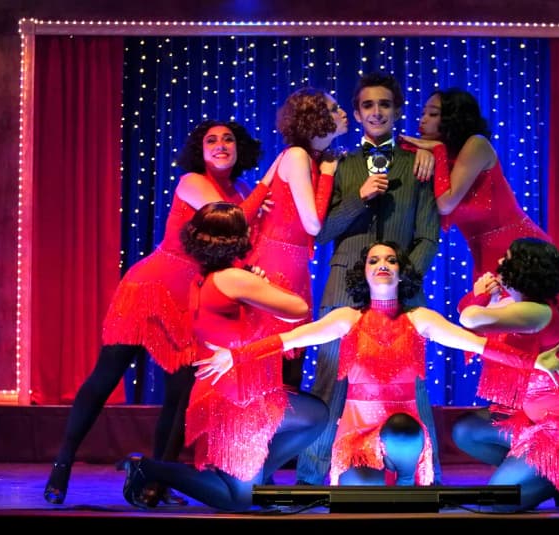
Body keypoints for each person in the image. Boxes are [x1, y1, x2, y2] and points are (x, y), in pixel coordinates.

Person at [401, 88, 559, 507]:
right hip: (488, 261)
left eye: (432, 115)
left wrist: (436, 151)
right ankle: (551, 459)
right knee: (517, 357)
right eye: (423, 115)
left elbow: (447, 201)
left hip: (520, 252)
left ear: (451, 120)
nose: (422, 121)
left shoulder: (475, 145)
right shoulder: (436, 157)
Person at [201, 241, 559, 487]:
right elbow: (290, 339)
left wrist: (532, 362)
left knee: (402, 427)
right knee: (362, 497)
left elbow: (477, 344)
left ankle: (407, 482)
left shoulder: (420, 317)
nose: (383, 265)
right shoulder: (347, 318)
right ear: (365, 274)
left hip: (404, 436)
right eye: (374, 260)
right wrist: (235, 356)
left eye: (390, 260)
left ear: (401, 272)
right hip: (357, 436)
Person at [44, 120, 271, 506]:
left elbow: (236, 243)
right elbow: (231, 221)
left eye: (227, 139)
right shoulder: (193, 182)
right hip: (151, 288)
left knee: (181, 394)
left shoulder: (242, 192)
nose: (219, 145)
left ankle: (157, 482)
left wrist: (251, 269)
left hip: (192, 300)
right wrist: (269, 185)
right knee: (106, 375)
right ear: (200, 151)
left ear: (239, 148)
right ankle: (62, 462)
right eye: (210, 140)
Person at [116, 201, 328, 512]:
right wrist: (263, 283)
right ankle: (150, 469)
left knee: (314, 415)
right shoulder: (235, 279)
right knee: (239, 501)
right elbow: (298, 308)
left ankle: (252, 479)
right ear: (240, 239)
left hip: (226, 390)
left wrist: (254, 284)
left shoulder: (201, 279)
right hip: (237, 399)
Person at [295, 72, 443, 485]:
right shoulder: (339, 165)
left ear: (397, 111)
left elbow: (429, 233)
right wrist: (358, 199)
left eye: (384, 105)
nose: (376, 112)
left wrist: (403, 279)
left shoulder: (418, 163)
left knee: (411, 383)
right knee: (330, 381)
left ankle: (427, 480)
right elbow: (321, 231)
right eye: (367, 105)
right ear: (358, 113)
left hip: (402, 288)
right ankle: (311, 480)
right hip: (344, 282)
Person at [453, 237, 559, 512]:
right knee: (466, 431)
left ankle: (554, 476)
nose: (500, 262)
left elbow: (470, 319)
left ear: (523, 268)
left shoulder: (536, 311)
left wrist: (479, 293)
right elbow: (472, 319)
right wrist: (487, 297)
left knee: (496, 503)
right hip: (531, 421)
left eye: (508, 258)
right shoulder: (516, 303)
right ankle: (532, 473)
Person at [244, 87, 348, 388]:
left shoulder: (305, 157)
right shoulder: (298, 155)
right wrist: (328, 174)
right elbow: (313, 224)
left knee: (289, 356)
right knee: (279, 358)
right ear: (313, 119)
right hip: (276, 265)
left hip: (292, 266)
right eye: (332, 109)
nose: (341, 113)